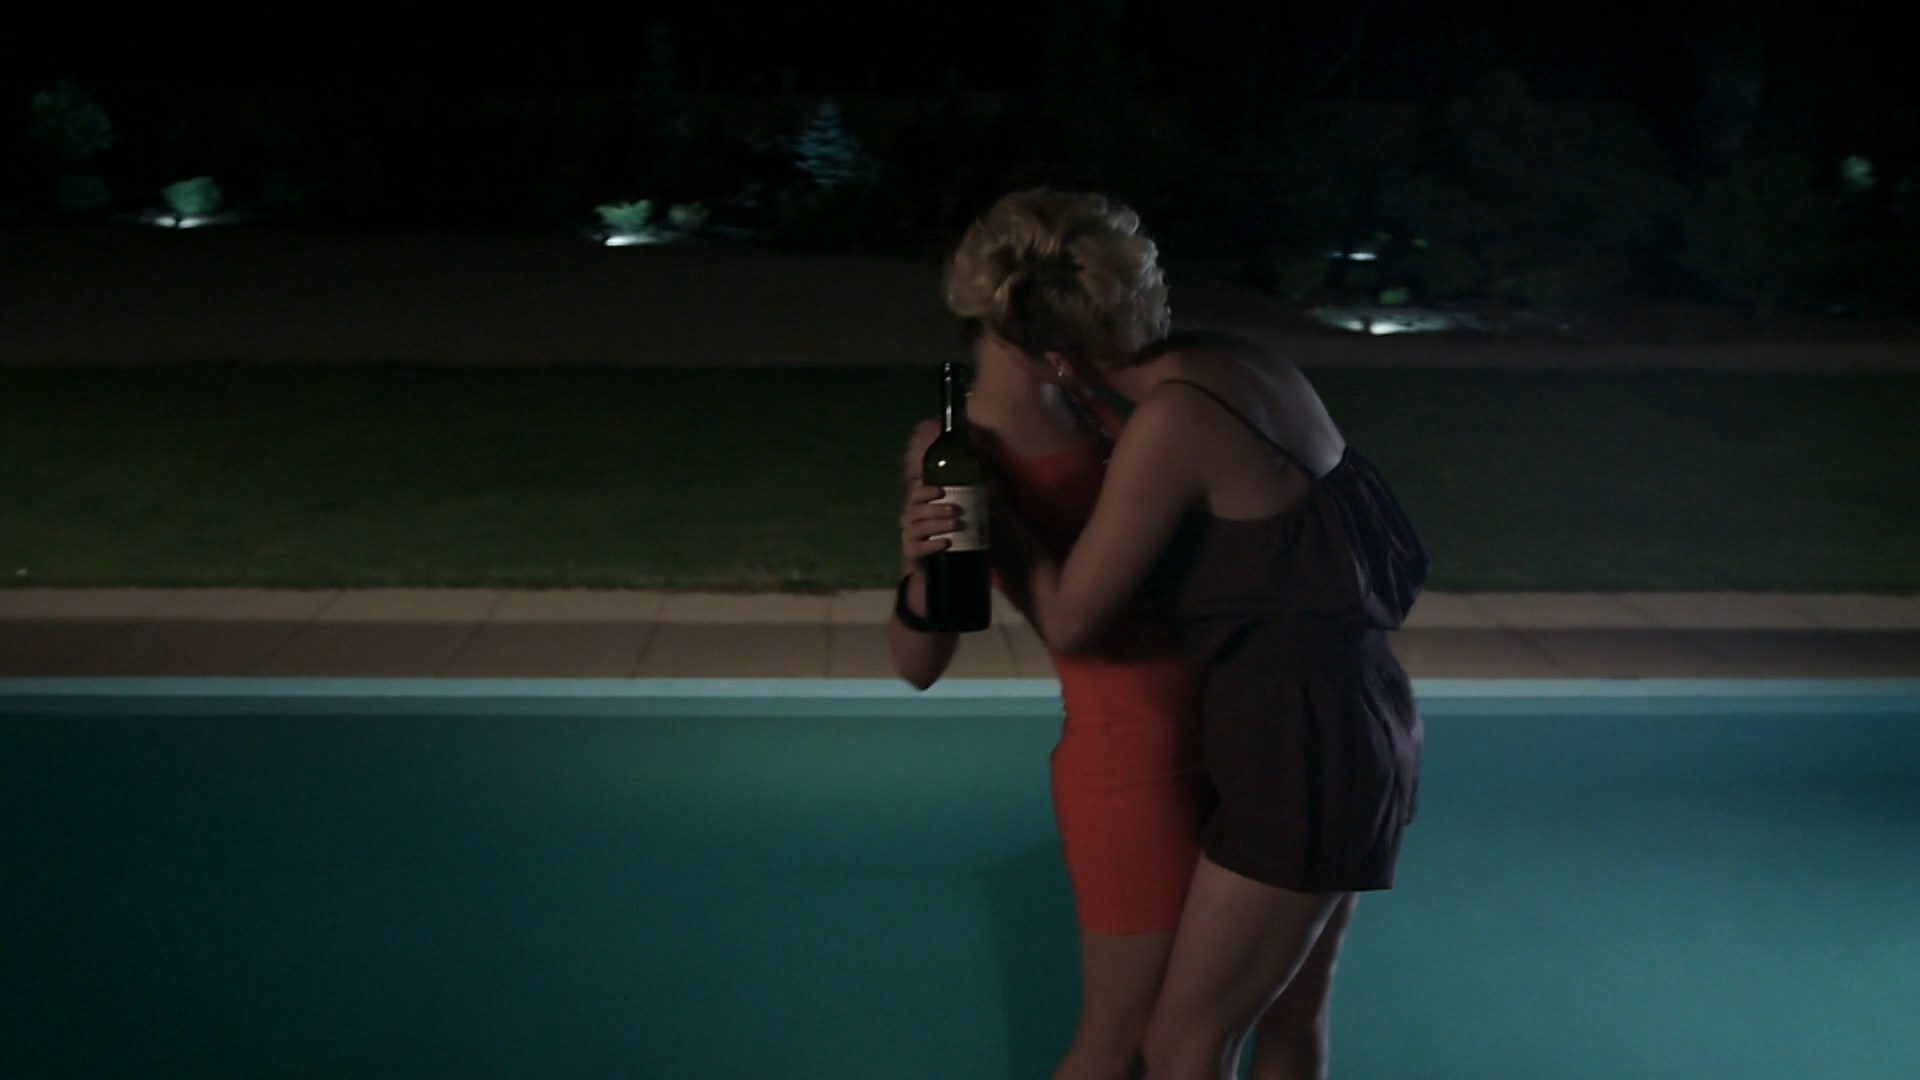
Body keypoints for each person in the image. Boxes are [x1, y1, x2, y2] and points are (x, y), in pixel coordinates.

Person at [969, 190, 1429, 1080]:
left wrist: (995, 515)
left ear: (1057, 358)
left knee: (1184, 1043)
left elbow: (1069, 615)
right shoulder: (1242, 361)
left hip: (1295, 747)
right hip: (1366, 713)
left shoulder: (1172, 423)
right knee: (1293, 1014)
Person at [890, 267, 1212, 1077]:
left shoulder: (1086, 405)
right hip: (1130, 760)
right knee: (1116, 1043)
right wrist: (922, 571)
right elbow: (918, 664)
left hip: (1213, 739)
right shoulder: (957, 447)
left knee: (1186, 1032)